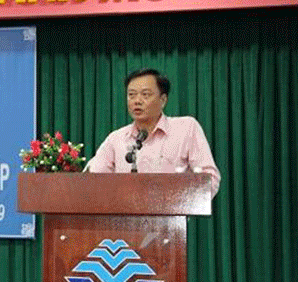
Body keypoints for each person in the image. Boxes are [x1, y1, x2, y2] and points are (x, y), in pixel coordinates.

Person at [86, 68, 221, 197]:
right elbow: (91, 178)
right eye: (131, 95)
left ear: (163, 100)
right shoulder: (116, 139)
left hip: (173, 212)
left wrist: (182, 202)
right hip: (125, 213)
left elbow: (210, 177)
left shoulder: (186, 128)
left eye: (145, 94)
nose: (137, 101)